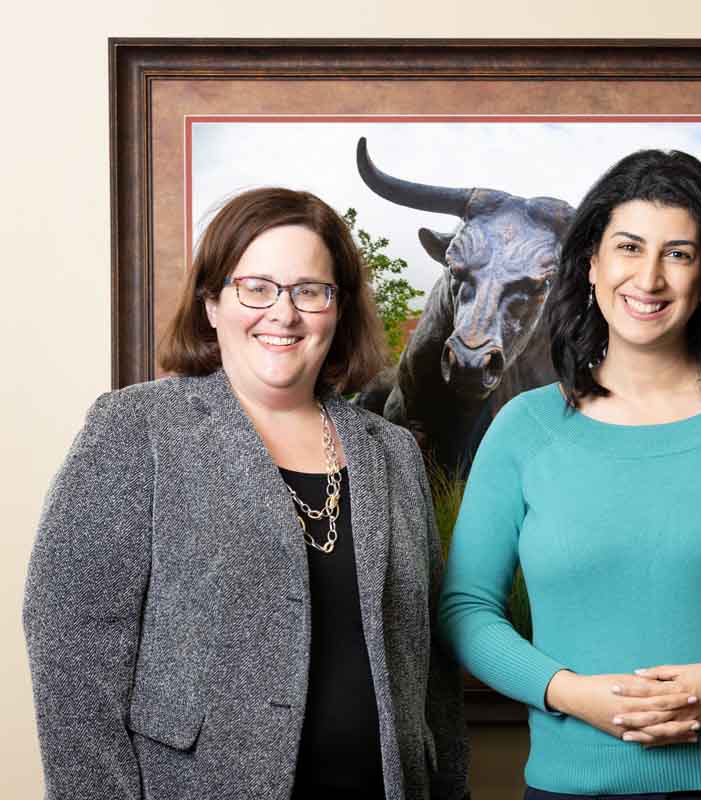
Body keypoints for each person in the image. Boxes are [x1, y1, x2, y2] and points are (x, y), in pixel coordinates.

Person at [24, 187, 468, 800]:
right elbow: (72, 648)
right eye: (255, 287)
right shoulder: (138, 430)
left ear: (338, 311)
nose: (283, 314)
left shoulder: (390, 452)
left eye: (310, 291)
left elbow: (431, 663)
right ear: (211, 302)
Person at [439, 150, 701, 799]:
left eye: (679, 254)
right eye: (629, 247)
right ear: (592, 264)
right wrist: (570, 695)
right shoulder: (524, 427)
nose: (649, 277)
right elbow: (466, 610)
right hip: (574, 785)